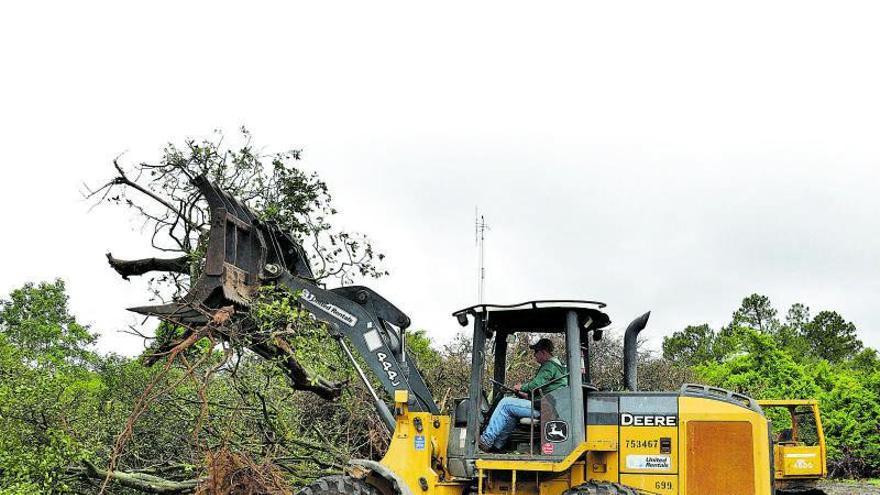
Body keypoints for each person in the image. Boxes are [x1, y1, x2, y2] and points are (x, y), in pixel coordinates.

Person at [479, 338, 568, 452]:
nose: (534, 356)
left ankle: (486, 440)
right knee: (510, 412)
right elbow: (545, 390)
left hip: (545, 409)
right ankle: (497, 446)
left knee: (505, 403)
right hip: (548, 406)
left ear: (544, 352)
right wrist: (526, 395)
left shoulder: (550, 365)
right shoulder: (559, 367)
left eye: (536, 352)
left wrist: (521, 387)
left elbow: (536, 385)